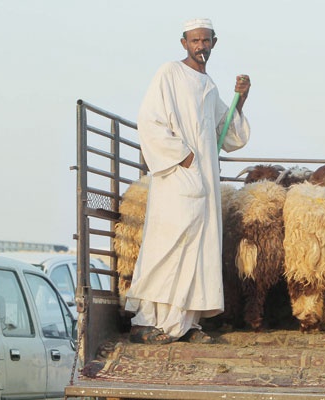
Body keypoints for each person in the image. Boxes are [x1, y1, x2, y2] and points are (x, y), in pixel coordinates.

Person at [124, 18, 251, 344]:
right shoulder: (169, 73)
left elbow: (229, 134)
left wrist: (242, 98)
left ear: (213, 43)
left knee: (196, 249)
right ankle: (147, 321)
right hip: (177, 177)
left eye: (206, 41)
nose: (201, 47)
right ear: (184, 43)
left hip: (203, 183)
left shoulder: (208, 86)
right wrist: (183, 156)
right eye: (195, 41)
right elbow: (148, 120)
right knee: (167, 245)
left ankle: (184, 323)